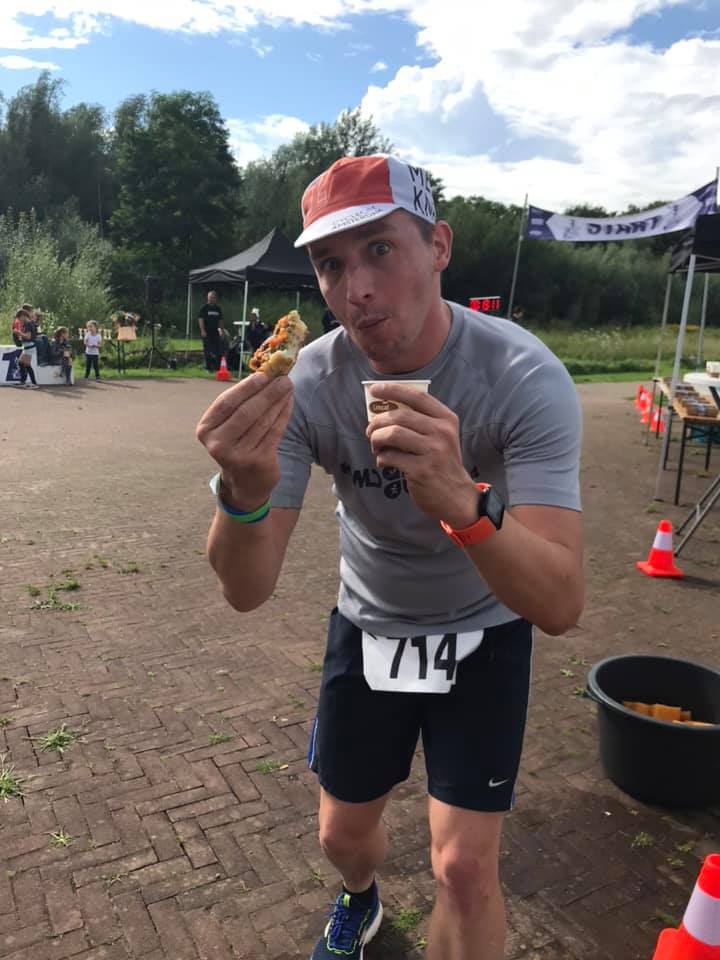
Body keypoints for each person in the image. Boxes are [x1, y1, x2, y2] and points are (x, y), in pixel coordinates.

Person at [196, 154, 584, 960]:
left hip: (485, 628)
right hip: (370, 623)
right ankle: (361, 898)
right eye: (331, 265)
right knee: (341, 837)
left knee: (465, 869)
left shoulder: (521, 376)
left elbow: (560, 602)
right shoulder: (309, 383)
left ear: (438, 247)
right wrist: (243, 490)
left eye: (380, 249)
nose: (357, 290)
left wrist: (463, 504)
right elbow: (246, 589)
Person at [198, 290, 225, 372]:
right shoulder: (204, 308)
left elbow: (220, 321)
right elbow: (200, 319)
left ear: (216, 298)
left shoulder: (218, 309)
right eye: (210, 297)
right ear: (207, 298)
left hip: (215, 332)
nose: (212, 299)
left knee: (218, 350)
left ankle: (217, 368)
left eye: (213, 297)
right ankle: (208, 367)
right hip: (207, 332)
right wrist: (202, 330)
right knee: (207, 350)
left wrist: (222, 331)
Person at [18, 309, 39, 388]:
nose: (19, 320)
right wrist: (21, 336)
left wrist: (19, 333)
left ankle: (34, 383)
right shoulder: (27, 323)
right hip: (27, 346)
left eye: (19, 318)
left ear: (23, 316)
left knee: (27, 365)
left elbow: (28, 336)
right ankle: (23, 381)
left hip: (29, 346)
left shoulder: (28, 324)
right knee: (20, 362)